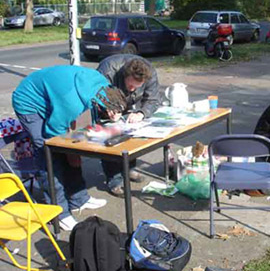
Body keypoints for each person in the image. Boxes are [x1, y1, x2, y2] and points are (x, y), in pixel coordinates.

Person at [12, 65, 127, 231]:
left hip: (54, 98)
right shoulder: (71, 103)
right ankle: (59, 213)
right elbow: (55, 134)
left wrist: (89, 134)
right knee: (49, 155)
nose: (112, 117)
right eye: (111, 113)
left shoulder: (103, 86)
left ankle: (79, 198)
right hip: (28, 102)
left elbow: (90, 114)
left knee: (73, 153)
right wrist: (73, 152)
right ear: (102, 104)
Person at [96, 54, 161, 197]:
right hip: (110, 103)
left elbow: (153, 99)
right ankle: (114, 179)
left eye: (136, 87)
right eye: (130, 85)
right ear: (125, 76)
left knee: (132, 135)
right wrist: (108, 109)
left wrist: (142, 113)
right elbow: (97, 94)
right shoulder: (107, 70)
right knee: (110, 140)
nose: (132, 89)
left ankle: (129, 168)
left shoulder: (149, 73)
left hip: (131, 107)